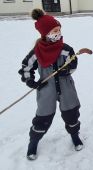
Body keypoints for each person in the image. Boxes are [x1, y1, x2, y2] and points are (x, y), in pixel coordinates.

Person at [18, 9, 83, 160]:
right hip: (46, 88)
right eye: (54, 31)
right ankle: (33, 141)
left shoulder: (65, 49)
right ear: (45, 33)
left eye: (59, 30)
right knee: (43, 117)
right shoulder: (36, 52)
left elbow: (73, 63)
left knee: (71, 113)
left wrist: (66, 70)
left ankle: (75, 135)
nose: (58, 33)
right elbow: (25, 68)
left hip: (66, 86)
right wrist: (31, 81)